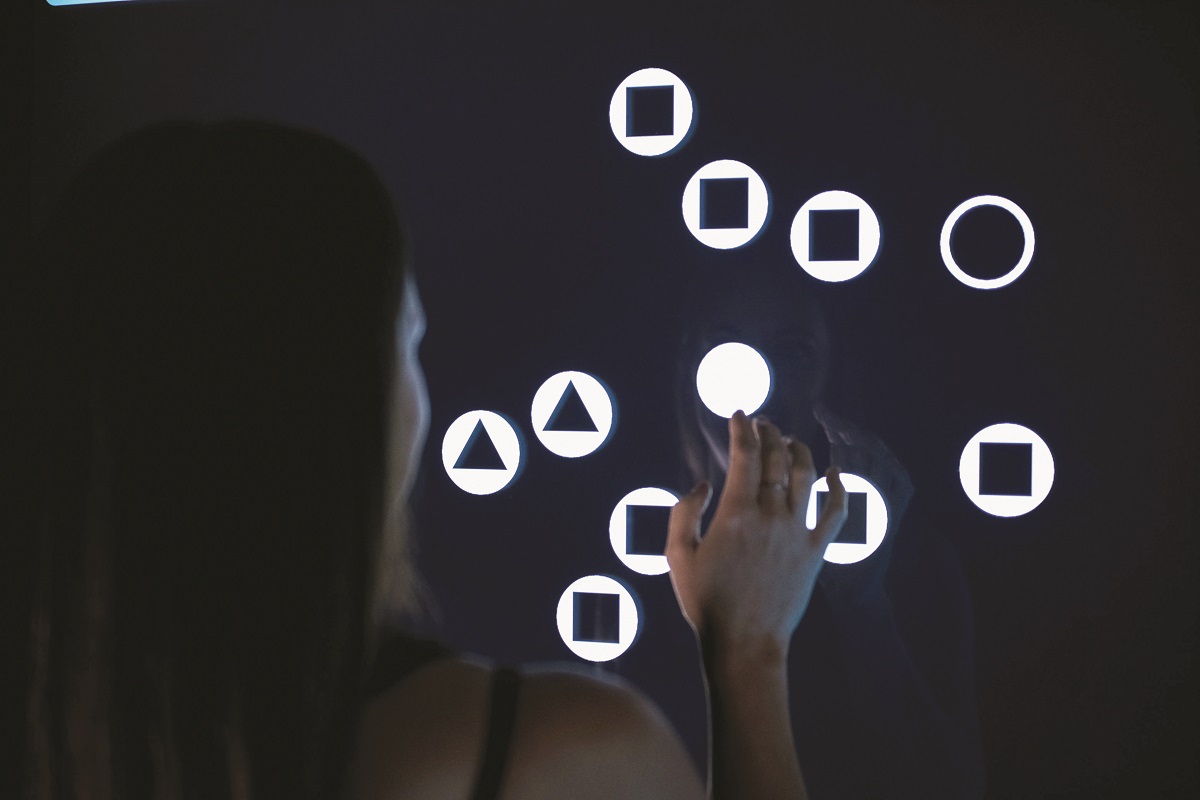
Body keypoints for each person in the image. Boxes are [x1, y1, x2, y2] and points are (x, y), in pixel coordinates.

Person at [26, 120, 851, 800]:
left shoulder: (50, 734)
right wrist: (748, 652)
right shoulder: (557, 754)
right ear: (340, 403)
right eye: (409, 341)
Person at [676, 273, 986, 798]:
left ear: (834, 377)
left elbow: (950, 788)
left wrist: (864, 604)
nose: (759, 381)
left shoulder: (909, 563)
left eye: (793, 352)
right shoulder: (644, 555)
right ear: (690, 373)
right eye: (728, 350)